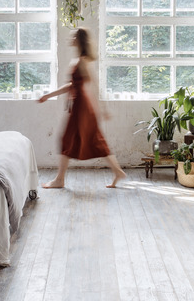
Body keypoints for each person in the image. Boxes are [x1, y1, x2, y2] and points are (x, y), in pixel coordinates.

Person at [38, 28, 127, 188]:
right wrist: (49, 95)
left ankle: (59, 180)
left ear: (78, 40)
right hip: (80, 106)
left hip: (82, 108)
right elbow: (71, 85)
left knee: (69, 140)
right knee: (95, 141)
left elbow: (96, 85)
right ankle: (118, 171)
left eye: (73, 36)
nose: (70, 38)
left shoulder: (83, 61)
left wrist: (104, 109)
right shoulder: (79, 60)